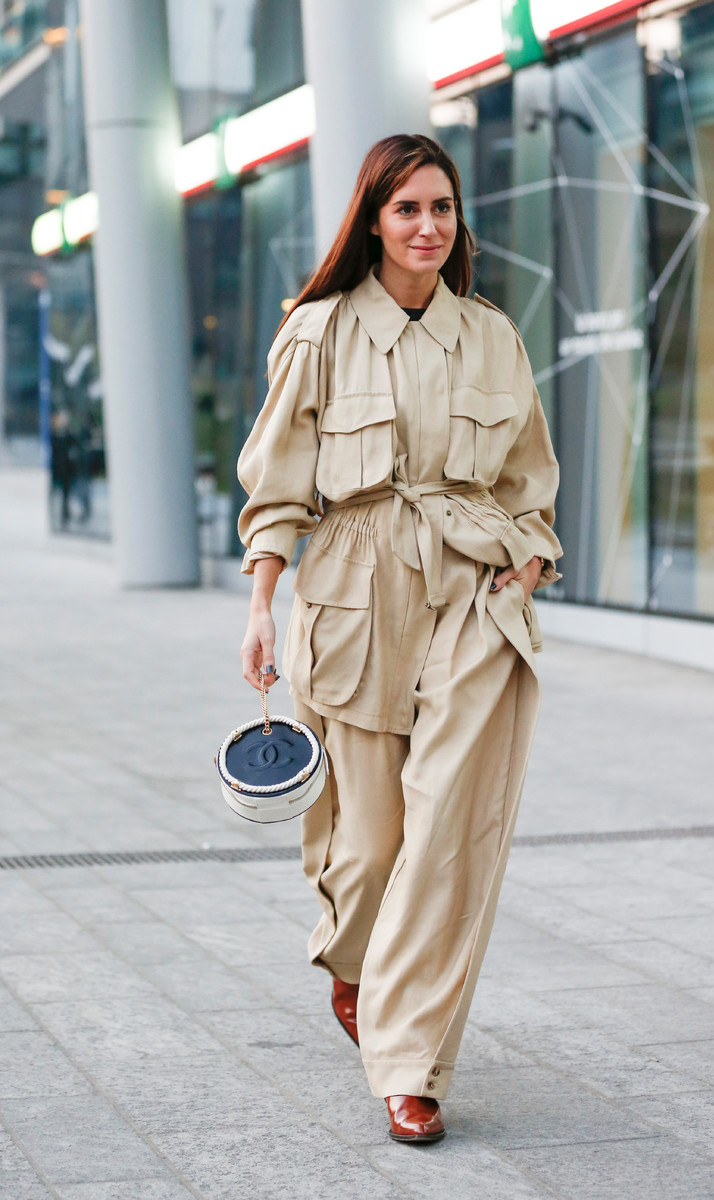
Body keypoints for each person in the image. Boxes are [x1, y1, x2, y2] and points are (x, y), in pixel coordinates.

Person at [237, 134, 562, 1144]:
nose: (428, 227)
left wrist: (527, 562)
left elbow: (529, 478)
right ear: (372, 221)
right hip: (353, 593)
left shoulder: (493, 336)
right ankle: (353, 962)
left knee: (449, 831)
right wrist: (262, 605)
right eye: (407, 208)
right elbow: (278, 483)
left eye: (442, 208)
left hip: (471, 595)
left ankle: (410, 1060)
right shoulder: (318, 332)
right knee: (370, 846)